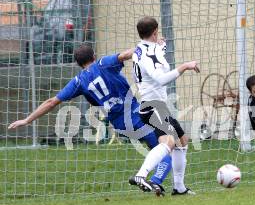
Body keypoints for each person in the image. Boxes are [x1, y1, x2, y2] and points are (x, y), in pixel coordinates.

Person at [8, 44, 171, 196]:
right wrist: (151, 47)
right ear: (94, 55)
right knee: (168, 146)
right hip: (135, 116)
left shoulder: (78, 81)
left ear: (79, 64)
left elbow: (52, 102)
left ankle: (155, 183)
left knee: (157, 149)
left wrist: (27, 120)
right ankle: (152, 180)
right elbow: (128, 54)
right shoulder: (104, 63)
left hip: (120, 124)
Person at [130, 16, 200, 195]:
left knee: (182, 141)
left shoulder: (141, 48)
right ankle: (141, 175)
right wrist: (185, 66)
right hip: (152, 105)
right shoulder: (149, 53)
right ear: (155, 32)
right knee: (169, 142)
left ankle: (179, 188)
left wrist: (160, 47)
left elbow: (154, 57)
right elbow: (160, 79)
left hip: (157, 105)